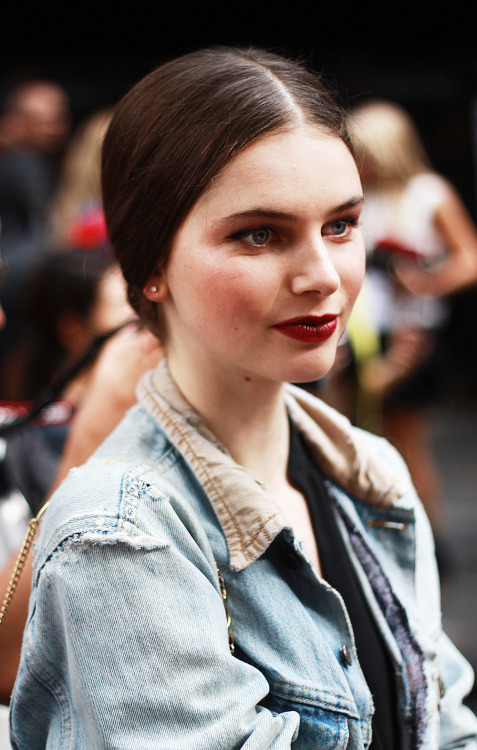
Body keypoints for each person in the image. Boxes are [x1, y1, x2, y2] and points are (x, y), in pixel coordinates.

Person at [8, 47, 477, 749]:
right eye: (259, 234)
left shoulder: (367, 471)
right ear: (150, 264)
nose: (322, 274)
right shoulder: (121, 532)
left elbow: (441, 722)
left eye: (341, 224)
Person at [342, 100, 477, 541]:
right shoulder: (358, 192)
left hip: (411, 332)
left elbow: (469, 260)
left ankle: (428, 538)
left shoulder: (428, 192)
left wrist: (424, 283)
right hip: (360, 331)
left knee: (405, 437)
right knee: (353, 433)